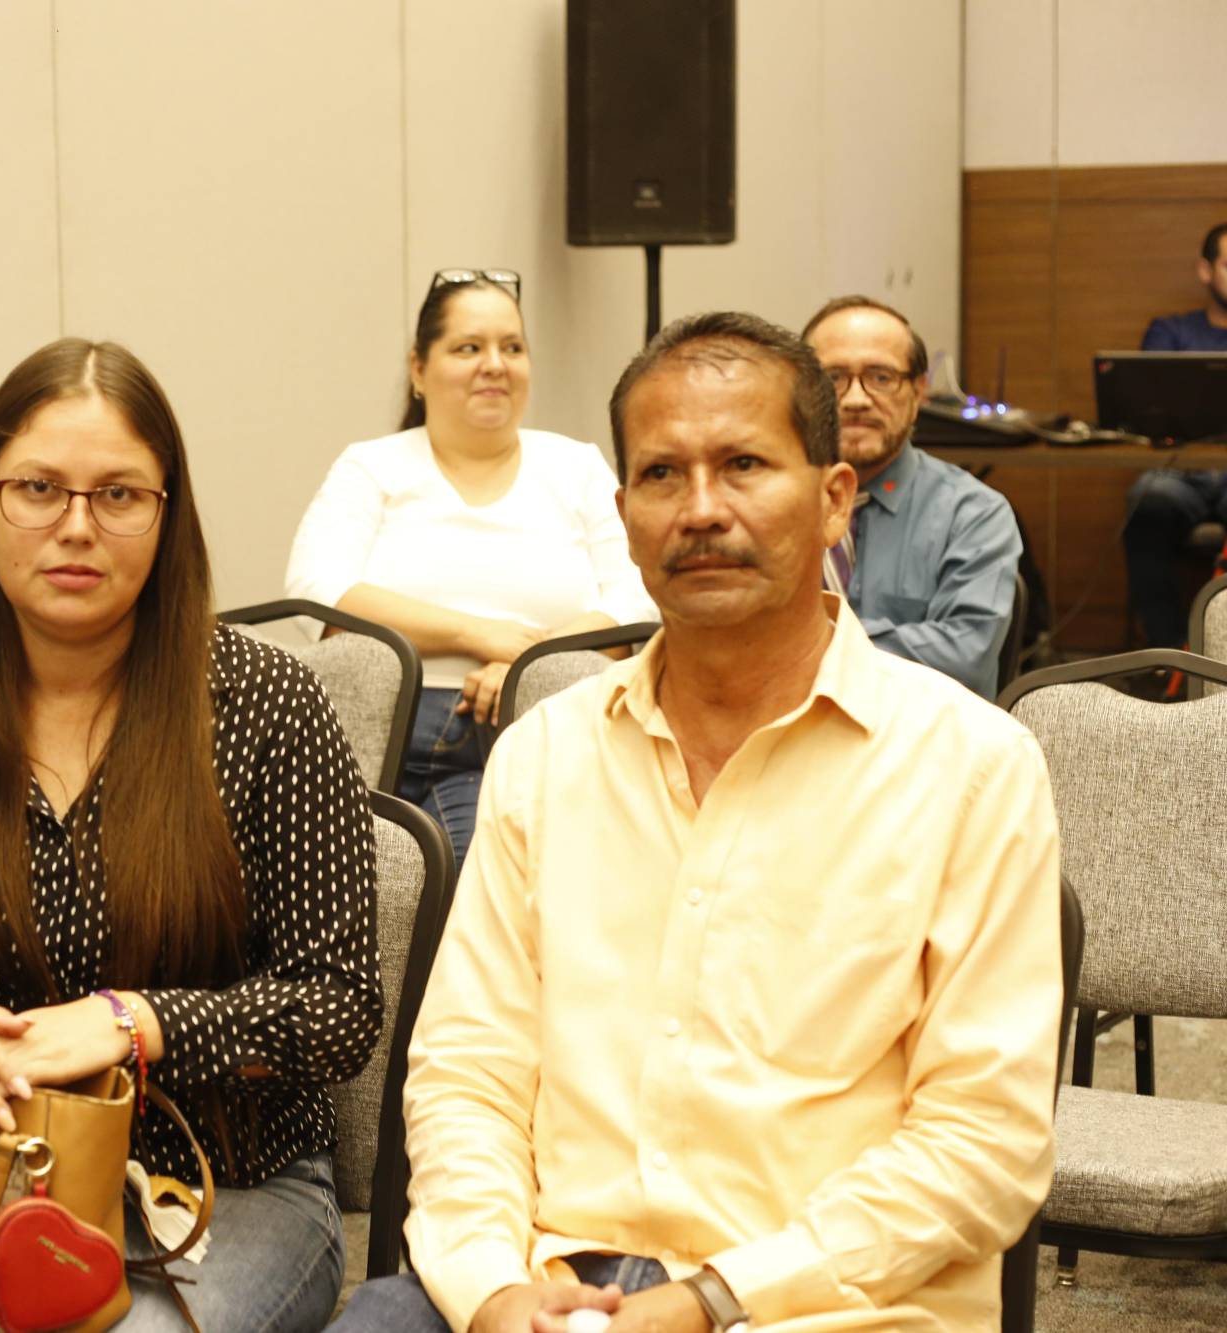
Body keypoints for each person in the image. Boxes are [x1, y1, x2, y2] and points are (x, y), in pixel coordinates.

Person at [336, 312, 1061, 1333]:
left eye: (744, 465)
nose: (702, 509)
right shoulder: (545, 757)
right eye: (662, 475)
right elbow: (468, 1073)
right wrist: (490, 1285)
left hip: (820, 1302)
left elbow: (982, 1141)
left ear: (833, 500)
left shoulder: (970, 768)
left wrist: (713, 1297)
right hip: (546, 1276)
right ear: (624, 514)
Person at [0, 338, 382, 1332]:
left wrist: (136, 1023)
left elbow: (339, 1008)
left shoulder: (267, 706)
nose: (75, 526)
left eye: (117, 495)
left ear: (167, 513)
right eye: (38, 488)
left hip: (220, 1186)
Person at [284, 268, 654, 867]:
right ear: (418, 369)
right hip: (382, 734)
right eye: (468, 348)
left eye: (512, 347)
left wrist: (527, 663)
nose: (495, 365)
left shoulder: (576, 466)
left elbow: (637, 598)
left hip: (542, 727)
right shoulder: (372, 467)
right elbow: (318, 590)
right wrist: (477, 635)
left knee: (485, 874)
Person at [801, 295, 1021, 697]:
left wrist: (802, 640)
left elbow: (964, 660)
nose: (855, 399)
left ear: (919, 393)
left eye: (881, 377)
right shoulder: (767, 503)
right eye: (833, 377)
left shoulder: (973, 514)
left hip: (922, 732)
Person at [1123, 222, 1227, 647]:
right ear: (1205, 270)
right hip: (1180, 474)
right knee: (1147, 500)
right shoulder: (1171, 332)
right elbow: (1149, 404)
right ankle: (1165, 654)